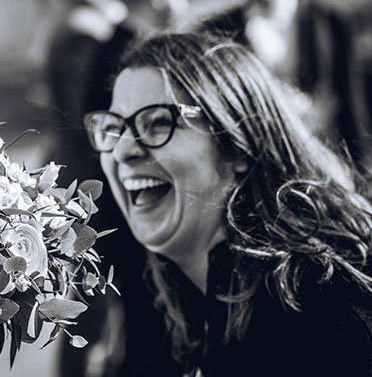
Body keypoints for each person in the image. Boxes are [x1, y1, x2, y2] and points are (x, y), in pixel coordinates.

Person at [83, 30, 372, 377]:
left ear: (236, 144)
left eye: (158, 122)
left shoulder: (322, 315)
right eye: (114, 128)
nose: (123, 150)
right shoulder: (185, 312)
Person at [50, 0, 190, 376]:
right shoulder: (133, 57)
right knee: (144, 327)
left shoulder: (119, 45)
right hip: (130, 210)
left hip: (123, 207)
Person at [200, 0, 368, 163]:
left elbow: (352, 99)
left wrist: (361, 164)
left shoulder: (330, 20)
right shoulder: (223, 26)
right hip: (261, 154)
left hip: (324, 150)